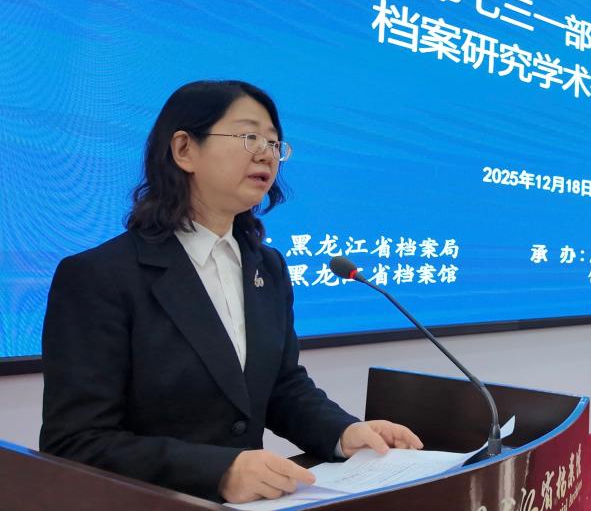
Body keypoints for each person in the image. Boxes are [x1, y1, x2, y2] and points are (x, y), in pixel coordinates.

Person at [40, 80, 421, 503]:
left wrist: (344, 432)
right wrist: (217, 472)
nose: (266, 154)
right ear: (184, 149)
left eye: (274, 143)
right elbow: (75, 442)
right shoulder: (100, 276)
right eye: (249, 137)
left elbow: (282, 388)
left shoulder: (267, 266)